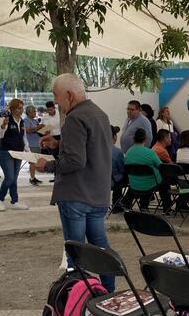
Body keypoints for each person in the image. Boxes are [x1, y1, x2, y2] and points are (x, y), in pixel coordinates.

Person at [36, 74, 116, 292]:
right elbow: (88, 147)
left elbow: (74, 161)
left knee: (76, 254)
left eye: (56, 96)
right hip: (98, 193)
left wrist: (47, 166)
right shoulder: (99, 114)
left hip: (76, 194)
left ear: (69, 95)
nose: (55, 101)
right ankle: (108, 292)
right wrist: (59, 143)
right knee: (100, 249)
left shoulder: (74, 118)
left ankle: (76, 299)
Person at [123, 129, 172, 212]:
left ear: (134, 139)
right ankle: (167, 209)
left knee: (143, 178)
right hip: (149, 184)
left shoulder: (128, 152)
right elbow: (161, 166)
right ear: (145, 139)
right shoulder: (150, 153)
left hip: (134, 184)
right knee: (164, 184)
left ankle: (129, 203)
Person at [0, 99, 29, 212]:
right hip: (6, 152)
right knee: (9, 178)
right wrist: (4, 125)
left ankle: (15, 201)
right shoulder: (5, 120)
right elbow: (0, 134)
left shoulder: (22, 122)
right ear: (13, 109)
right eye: (19, 108)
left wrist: (28, 152)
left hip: (18, 152)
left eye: (22, 107)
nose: (21, 110)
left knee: (14, 179)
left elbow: (24, 138)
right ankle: (0, 199)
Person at [23, 105, 46, 186]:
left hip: (37, 143)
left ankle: (34, 177)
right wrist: (38, 127)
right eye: (33, 111)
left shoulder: (35, 121)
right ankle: (32, 178)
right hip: (31, 144)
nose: (35, 113)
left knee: (36, 161)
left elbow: (39, 131)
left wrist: (44, 130)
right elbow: (28, 131)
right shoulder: (26, 120)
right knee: (32, 162)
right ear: (29, 112)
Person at [110, 126, 126, 213]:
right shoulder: (117, 152)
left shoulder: (96, 150)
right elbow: (122, 169)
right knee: (123, 176)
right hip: (113, 182)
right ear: (114, 137)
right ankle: (119, 204)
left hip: (98, 181)